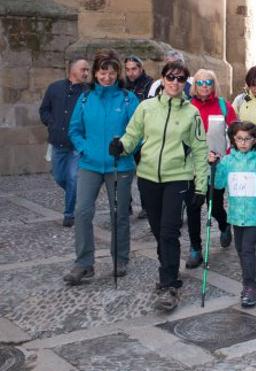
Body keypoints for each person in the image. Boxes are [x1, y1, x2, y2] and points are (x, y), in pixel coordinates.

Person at [109, 61, 209, 311]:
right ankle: (167, 269)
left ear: (186, 83)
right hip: (148, 177)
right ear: (163, 80)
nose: (175, 83)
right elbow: (132, 135)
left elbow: (199, 150)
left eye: (181, 79)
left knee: (169, 231)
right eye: (171, 77)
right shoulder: (146, 107)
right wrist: (121, 146)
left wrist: (201, 186)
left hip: (178, 177)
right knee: (157, 230)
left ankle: (169, 284)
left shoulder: (191, 113)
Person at [64, 49, 139, 284]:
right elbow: (74, 129)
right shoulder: (86, 99)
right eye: (102, 72)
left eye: (111, 72)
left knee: (119, 215)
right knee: (82, 212)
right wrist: (84, 148)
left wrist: (127, 147)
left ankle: (121, 258)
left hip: (120, 166)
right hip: (90, 164)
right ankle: (84, 263)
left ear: (118, 73)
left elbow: (140, 132)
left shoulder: (128, 99)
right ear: (95, 74)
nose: (107, 77)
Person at [210, 121, 256, 308]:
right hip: (235, 214)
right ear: (233, 139)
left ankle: (250, 286)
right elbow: (218, 184)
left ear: (255, 140)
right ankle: (247, 280)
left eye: (247, 139)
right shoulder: (228, 161)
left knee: (247, 249)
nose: (243, 143)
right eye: (239, 139)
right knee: (240, 249)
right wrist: (214, 166)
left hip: (254, 214)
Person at [184, 68, 236, 269]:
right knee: (193, 207)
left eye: (208, 83)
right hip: (193, 166)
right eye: (200, 83)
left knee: (214, 206)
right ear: (194, 86)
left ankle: (224, 225)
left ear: (214, 85)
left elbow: (236, 132)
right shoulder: (187, 106)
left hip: (217, 165)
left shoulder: (224, 106)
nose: (204, 87)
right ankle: (195, 248)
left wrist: (227, 156)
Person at [39, 56, 90, 227]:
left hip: (77, 145)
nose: (86, 73)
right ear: (72, 70)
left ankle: (69, 214)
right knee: (60, 177)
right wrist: (51, 123)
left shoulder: (88, 92)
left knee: (73, 177)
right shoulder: (54, 88)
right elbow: (44, 110)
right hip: (57, 142)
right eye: (83, 69)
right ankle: (74, 194)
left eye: (88, 70)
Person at [124, 55, 154, 219]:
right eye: (127, 69)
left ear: (141, 69)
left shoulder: (149, 85)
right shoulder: (124, 86)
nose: (131, 73)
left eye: (134, 69)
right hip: (128, 134)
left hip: (144, 137)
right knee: (123, 173)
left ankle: (146, 206)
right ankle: (125, 204)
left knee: (143, 174)